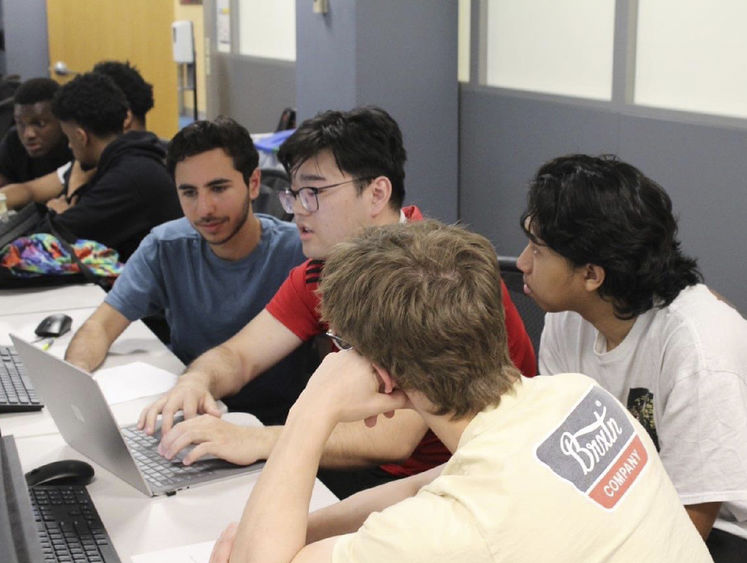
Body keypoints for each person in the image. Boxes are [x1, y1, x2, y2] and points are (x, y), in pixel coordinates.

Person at [209, 220, 712, 563]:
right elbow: (419, 486)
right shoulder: (578, 399)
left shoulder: (452, 529)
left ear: (382, 374)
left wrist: (311, 410)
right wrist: (301, 529)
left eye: (344, 348)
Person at [140, 106, 537, 499]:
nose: (297, 211)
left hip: (466, 481)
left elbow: (392, 438)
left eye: (313, 193)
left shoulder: (433, 274)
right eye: (294, 195)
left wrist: (258, 440)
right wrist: (197, 380)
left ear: (377, 193)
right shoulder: (324, 268)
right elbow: (240, 355)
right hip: (387, 477)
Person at [517, 154, 747, 561]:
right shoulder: (567, 318)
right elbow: (559, 464)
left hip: (724, 531)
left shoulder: (697, 347)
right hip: (627, 513)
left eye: (538, 250)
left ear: (591, 275)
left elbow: (688, 531)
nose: (521, 263)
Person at [64, 117, 308, 424]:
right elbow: (100, 327)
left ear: (254, 183)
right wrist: (76, 384)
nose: (204, 208)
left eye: (218, 188)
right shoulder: (165, 246)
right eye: (189, 192)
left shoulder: (299, 251)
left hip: (276, 426)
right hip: (189, 413)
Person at [37, 72, 181, 260]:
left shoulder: (129, 176)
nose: (70, 146)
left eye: (68, 137)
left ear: (81, 136)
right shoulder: (134, 156)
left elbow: (44, 245)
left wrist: (59, 210)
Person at [1, 61, 156, 213]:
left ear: (125, 117)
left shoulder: (129, 170)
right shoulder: (103, 158)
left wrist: (64, 210)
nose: (29, 134)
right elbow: (30, 191)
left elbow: (73, 224)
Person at [0, 77, 71, 189]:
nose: (28, 134)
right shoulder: (13, 141)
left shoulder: (76, 145)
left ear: (60, 119)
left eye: (40, 124)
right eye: (20, 123)